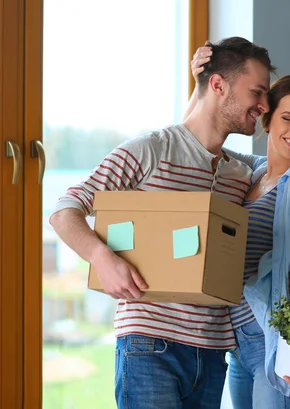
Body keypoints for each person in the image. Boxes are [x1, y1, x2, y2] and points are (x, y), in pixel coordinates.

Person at [49, 37, 276, 409]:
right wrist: (102, 258)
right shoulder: (151, 150)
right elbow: (65, 209)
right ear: (217, 85)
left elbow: (286, 169)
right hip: (150, 345)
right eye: (257, 92)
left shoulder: (242, 172)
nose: (264, 106)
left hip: (212, 350)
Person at [187, 45, 290, 409]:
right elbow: (196, 144)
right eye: (288, 118)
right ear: (267, 118)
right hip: (239, 343)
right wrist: (199, 86)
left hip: (275, 346)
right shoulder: (253, 172)